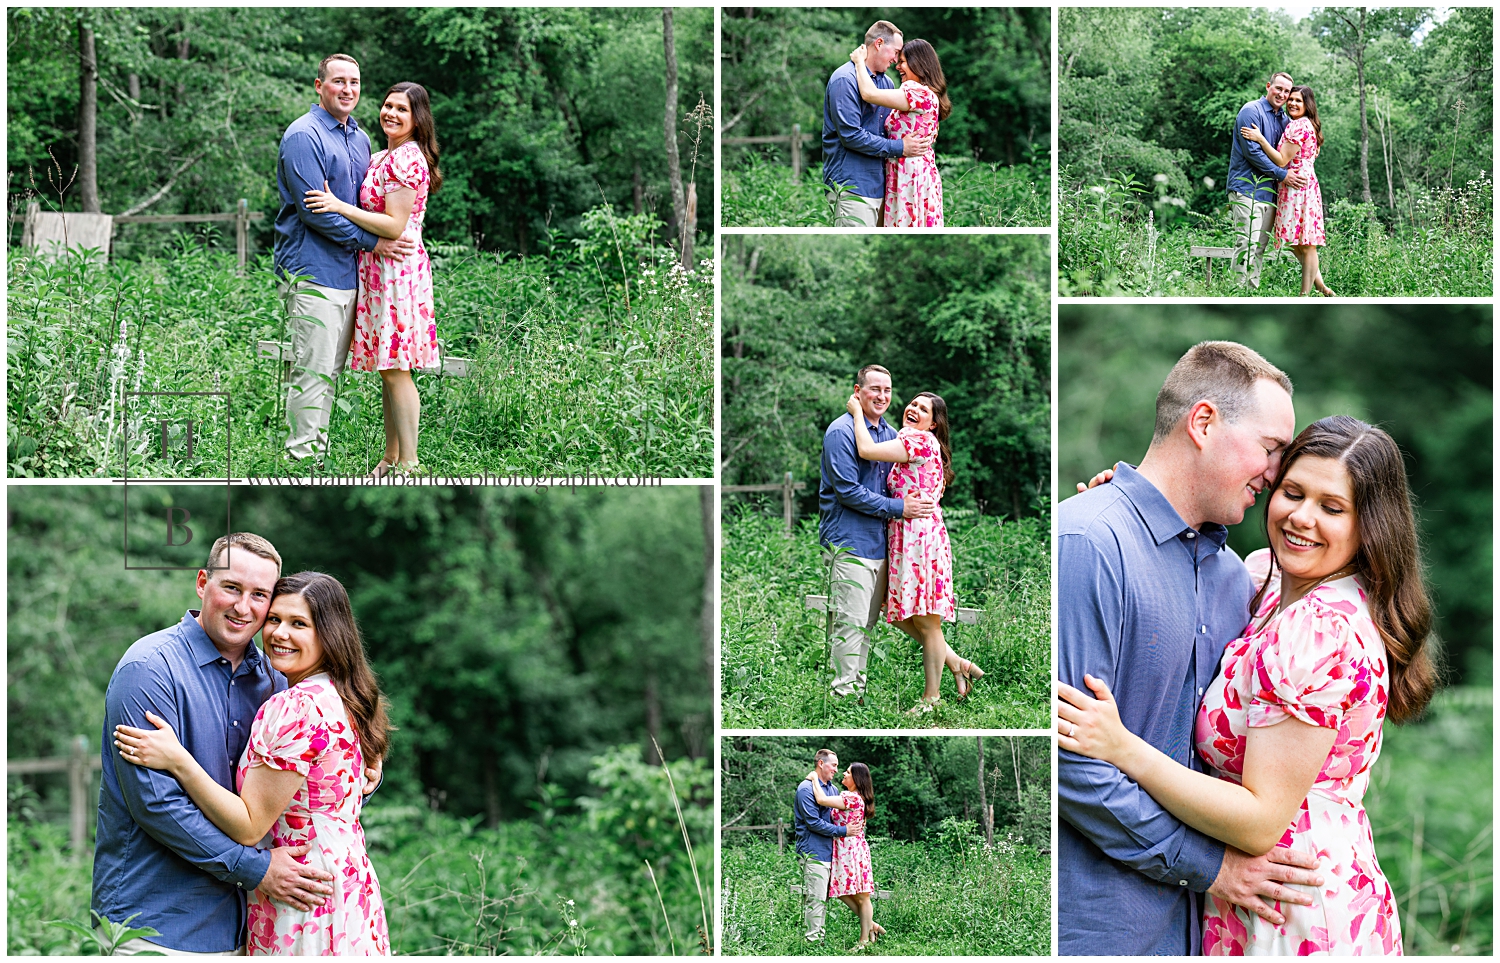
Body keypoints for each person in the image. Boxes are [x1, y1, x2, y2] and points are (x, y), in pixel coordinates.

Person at [1059, 415, 1435, 954]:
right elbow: (1191, 562)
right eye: (1293, 492)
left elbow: (1260, 821)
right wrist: (1119, 512)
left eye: (1332, 508)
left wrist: (1123, 749)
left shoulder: (1319, 628)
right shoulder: (1270, 580)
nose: (1302, 518)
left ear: (1370, 526)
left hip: (1291, 903)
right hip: (1255, 892)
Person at [1056, 342, 1325, 955]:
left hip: (1201, 932)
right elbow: (1069, 760)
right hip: (1099, 928)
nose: (1278, 474)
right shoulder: (1089, 542)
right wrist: (1212, 867)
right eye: (1271, 449)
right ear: (1203, 423)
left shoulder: (1240, 578)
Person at [91, 534, 379, 955]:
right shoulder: (149, 670)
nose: (244, 607)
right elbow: (156, 805)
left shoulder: (278, 678)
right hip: (158, 925)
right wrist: (257, 870)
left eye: (259, 595)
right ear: (202, 582)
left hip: (253, 923)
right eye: (231, 588)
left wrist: (365, 774)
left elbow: (307, 785)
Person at [274, 54, 414, 465]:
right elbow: (315, 212)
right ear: (319, 86)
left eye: (354, 82)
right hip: (311, 270)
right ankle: (302, 460)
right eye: (338, 81)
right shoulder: (304, 136)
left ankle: (317, 457)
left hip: (351, 274)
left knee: (330, 373)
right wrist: (374, 243)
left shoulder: (360, 139)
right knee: (311, 372)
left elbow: (360, 205)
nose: (347, 89)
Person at [305, 82, 443, 477]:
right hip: (377, 270)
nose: (391, 114)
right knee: (389, 367)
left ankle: (410, 462)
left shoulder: (408, 158)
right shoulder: (383, 154)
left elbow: (396, 224)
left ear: (418, 118)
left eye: (402, 109)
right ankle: (391, 456)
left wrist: (337, 205)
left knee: (398, 367)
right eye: (387, 105)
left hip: (398, 270)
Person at [845, 390, 982, 710]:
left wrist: (856, 413)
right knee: (896, 613)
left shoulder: (919, 442)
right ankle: (957, 662)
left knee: (928, 623)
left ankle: (931, 699)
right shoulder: (908, 439)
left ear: (933, 424)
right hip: (905, 538)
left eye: (924, 409)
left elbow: (865, 450)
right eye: (913, 404)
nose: (914, 409)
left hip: (921, 542)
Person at [819, 365, 936, 699]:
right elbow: (848, 491)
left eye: (887, 390)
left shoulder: (888, 434)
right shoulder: (840, 433)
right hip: (849, 543)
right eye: (874, 389)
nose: (882, 396)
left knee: (866, 626)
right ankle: (841, 698)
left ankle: (856, 693)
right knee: (849, 625)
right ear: (858, 391)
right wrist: (901, 508)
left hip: (882, 545)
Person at [820, 21, 935, 228]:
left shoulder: (887, 84)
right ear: (879, 43)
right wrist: (901, 147)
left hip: (883, 187)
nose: (897, 60)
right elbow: (851, 136)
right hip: (852, 186)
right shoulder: (844, 80)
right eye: (896, 52)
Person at [1241, 86, 1334, 297]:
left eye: (1298, 101)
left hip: (1297, 187)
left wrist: (1260, 138)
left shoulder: (1299, 126)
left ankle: (1305, 295)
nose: (1292, 103)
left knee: (1307, 244)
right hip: (1299, 184)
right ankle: (1321, 286)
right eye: (1290, 99)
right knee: (1294, 242)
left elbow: (1282, 160)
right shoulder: (1306, 125)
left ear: (1307, 104)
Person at [849, 39, 948, 226]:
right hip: (905, 170)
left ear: (919, 64)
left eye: (902, 61)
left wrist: (859, 62)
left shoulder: (917, 92)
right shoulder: (923, 95)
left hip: (910, 174)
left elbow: (869, 94)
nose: (898, 66)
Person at [1227, 72, 1310, 289]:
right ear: (1268, 86)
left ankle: (1250, 292)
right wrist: (1284, 175)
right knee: (1246, 244)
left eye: (1286, 91)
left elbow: (1286, 154)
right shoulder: (1250, 111)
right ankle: (1237, 292)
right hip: (1246, 188)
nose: (1282, 94)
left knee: (1260, 247)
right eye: (1278, 88)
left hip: (1270, 193)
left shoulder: (1284, 120)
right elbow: (1253, 153)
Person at [807, 762, 885, 949]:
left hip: (851, 849)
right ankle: (871, 926)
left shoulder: (852, 798)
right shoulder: (853, 797)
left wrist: (814, 779)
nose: (843, 773)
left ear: (856, 778)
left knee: (862, 896)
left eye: (848, 772)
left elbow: (821, 800)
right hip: (845, 848)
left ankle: (863, 941)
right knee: (840, 891)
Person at [792, 749, 849, 943]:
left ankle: (819, 940)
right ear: (821, 764)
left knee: (823, 900)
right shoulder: (805, 789)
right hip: (813, 852)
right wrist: (844, 831)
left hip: (829, 852)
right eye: (834, 765)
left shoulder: (832, 790)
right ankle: (812, 943)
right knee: (815, 900)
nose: (836, 769)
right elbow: (813, 823)